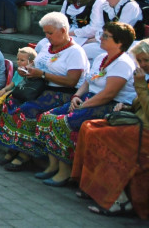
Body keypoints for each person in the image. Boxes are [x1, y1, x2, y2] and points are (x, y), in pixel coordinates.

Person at [32, 22, 138, 186]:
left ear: (119, 42)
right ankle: (52, 166)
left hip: (108, 104)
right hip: (88, 98)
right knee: (47, 118)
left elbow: (108, 94)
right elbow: (88, 82)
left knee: (62, 123)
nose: (100, 38)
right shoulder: (101, 57)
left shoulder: (123, 63)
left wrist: (83, 106)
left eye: (106, 36)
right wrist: (76, 96)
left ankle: (65, 172)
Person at [0, 12, 89, 171]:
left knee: (28, 109)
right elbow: (39, 66)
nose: (47, 36)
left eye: (50, 33)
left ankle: (26, 154)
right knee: (11, 102)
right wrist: (29, 71)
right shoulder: (47, 47)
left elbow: (71, 81)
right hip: (41, 87)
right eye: (45, 33)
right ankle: (15, 146)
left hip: (62, 93)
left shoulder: (75, 52)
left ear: (63, 30)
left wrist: (43, 74)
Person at [71, 38, 149, 218]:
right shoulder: (144, 75)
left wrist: (140, 87)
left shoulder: (142, 79)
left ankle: (120, 200)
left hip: (144, 132)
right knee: (88, 127)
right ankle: (89, 186)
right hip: (137, 124)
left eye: (146, 60)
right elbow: (141, 105)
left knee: (100, 136)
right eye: (141, 60)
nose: (143, 64)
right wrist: (128, 107)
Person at [72, 0, 144, 60]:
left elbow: (120, 33)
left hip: (127, 45)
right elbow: (100, 27)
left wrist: (97, 39)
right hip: (110, 42)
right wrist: (97, 39)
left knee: (86, 51)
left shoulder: (130, 6)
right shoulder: (105, 5)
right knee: (83, 50)